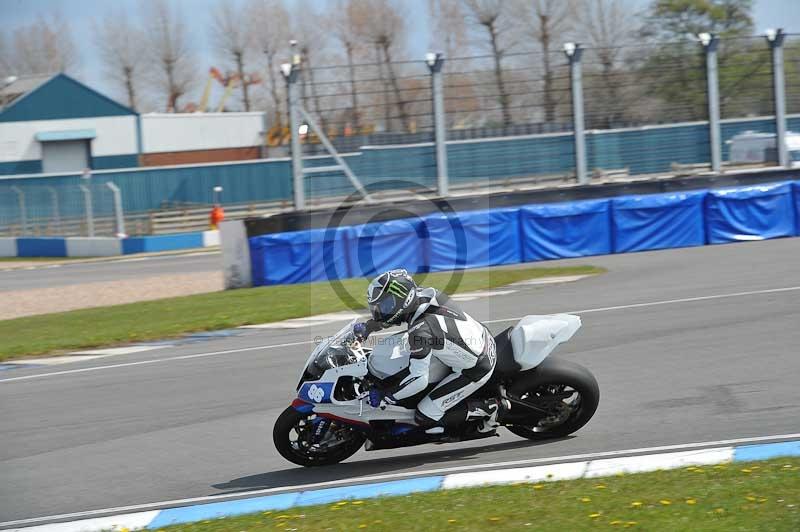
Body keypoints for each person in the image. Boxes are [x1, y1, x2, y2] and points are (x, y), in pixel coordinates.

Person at [354, 269, 502, 434]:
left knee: (425, 415)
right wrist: (370, 326)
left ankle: (489, 408)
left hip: (475, 368)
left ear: (402, 300)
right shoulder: (424, 294)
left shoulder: (420, 331)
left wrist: (387, 396)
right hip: (479, 336)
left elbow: (419, 380)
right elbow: (399, 314)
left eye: (385, 306)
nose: (381, 312)